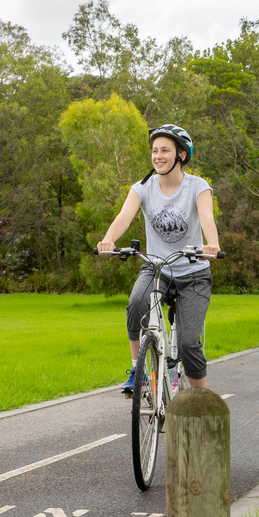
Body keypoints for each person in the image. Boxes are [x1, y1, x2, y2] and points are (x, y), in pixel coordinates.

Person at [96, 124, 219, 393]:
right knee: (136, 304)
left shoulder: (198, 186)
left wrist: (213, 245)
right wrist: (109, 240)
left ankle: (200, 399)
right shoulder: (142, 187)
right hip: (156, 268)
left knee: (188, 344)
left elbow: (207, 218)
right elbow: (124, 217)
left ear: (181, 155)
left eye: (165, 150)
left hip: (194, 272)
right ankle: (136, 371)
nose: (158, 156)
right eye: (154, 150)